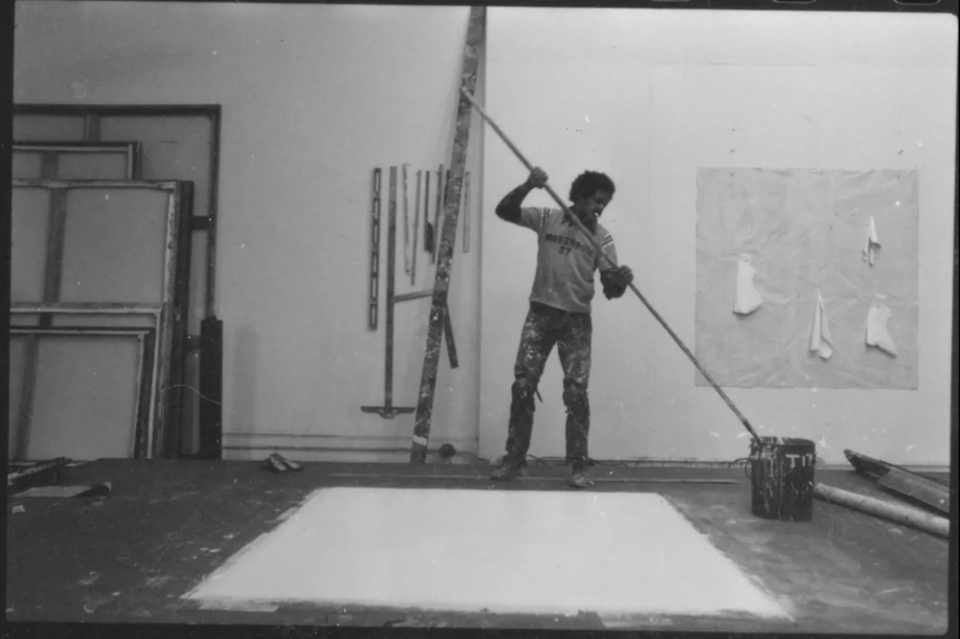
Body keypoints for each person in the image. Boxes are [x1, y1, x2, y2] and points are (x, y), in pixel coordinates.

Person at [491, 167, 634, 488]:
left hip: (576, 321)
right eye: (597, 201)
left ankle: (579, 467)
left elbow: (611, 291)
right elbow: (504, 211)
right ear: (580, 196)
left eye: (605, 205)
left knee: (575, 393)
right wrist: (528, 184)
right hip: (540, 314)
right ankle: (514, 460)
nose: (600, 208)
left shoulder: (602, 238)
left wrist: (620, 280)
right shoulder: (547, 218)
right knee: (523, 386)